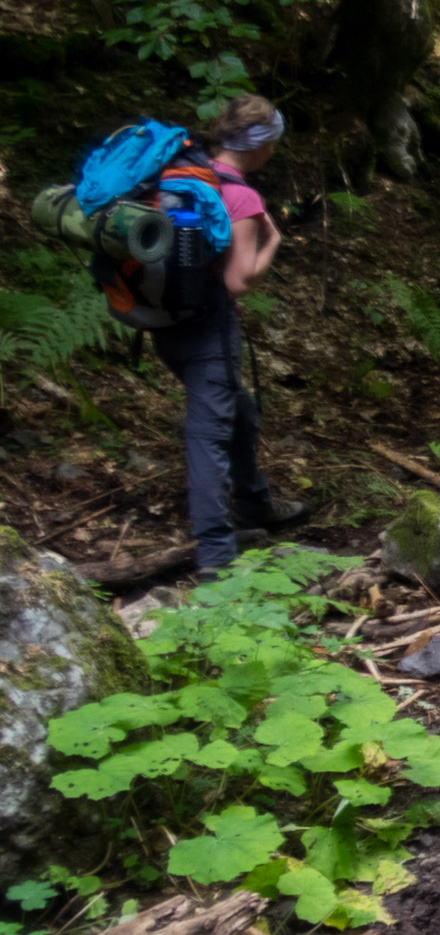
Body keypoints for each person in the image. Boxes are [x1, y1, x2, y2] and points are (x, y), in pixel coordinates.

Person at [151, 93, 308, 578]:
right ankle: (216, 556)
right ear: (261, 145)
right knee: (209, 433)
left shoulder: (182, 174)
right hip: (208, 329)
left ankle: (255, 503)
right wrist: (273, 243)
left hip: (164, 322)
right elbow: (239, 279)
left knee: (238, 410)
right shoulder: (239, 194)